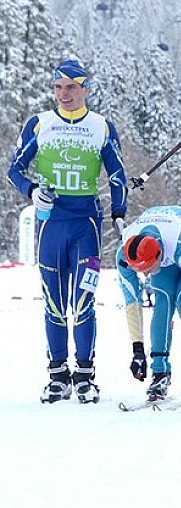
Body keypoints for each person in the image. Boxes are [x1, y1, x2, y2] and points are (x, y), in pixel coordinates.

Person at [7, 59, 128, 403]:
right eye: (59, 87)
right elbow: (14, 169)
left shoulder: (101, 126)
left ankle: (86, 374)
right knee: (53, 302)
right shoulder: (39, 124)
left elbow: (117, 174)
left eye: (72, 88)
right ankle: (58, 374)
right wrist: (31, 191)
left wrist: (119, 213)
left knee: (84, 300)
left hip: (86, 224)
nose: (64, 94)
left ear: (86, 89)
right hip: (50, 225)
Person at [116, 206, 181, 402]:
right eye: (142, 271)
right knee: (163, 303)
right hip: (162, 245)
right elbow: (132, 303)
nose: (146, 275)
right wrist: (137, 351)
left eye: (148, 269)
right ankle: (159, 373)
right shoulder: (124, 255)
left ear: (158, 255)